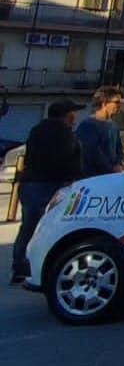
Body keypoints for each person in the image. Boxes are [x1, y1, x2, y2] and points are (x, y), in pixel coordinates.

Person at [11, 100, 84, 284]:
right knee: (52, 228)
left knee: (28, 227)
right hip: (54, 185)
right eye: (73, 112)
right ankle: (42, 268)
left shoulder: (37, 130)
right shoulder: (65, 134)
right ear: (67, 114)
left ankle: (20, 268)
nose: (75, 116)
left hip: (31, 183)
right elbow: (69, 159)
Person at [76, 85, 124, 177]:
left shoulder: (114, 125)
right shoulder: (88, 125)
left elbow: (119, 149)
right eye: (116, 102)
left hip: (110, 176)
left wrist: (119, 164)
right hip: (92, 177)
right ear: (104, 103)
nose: (119, 105)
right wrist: (110, 169)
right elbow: (92, 152)